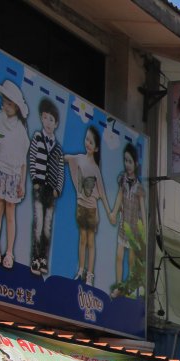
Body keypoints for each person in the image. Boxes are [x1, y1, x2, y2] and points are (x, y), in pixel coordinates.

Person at [65, 125, 108, 285]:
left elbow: (102, 192)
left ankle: (90, 274)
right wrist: (57, 157)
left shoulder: (95, 168)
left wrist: (109, 212)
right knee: (82, 239)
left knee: (90, 241)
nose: (88, 143)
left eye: (91, 142)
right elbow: (68, 158)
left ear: (96, 148)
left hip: (91, 209)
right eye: (87, 139)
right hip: (80, 206)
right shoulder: (80, 158)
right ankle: (81, 270)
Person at [29, 97, 63, 276]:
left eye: (51, 119)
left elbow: (61, 170)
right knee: (39, 223)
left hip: (51, 191)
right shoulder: (37, 137)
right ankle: (35, 257)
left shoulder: (57, 148)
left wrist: (58, 188)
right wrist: (35, 179)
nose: (48, 122)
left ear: (56, 123)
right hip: (39, 187)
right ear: (41, 118)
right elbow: (33, 157)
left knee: (47, 227)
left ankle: (43, 258)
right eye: (45, 118)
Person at [0, 80, 29, 270]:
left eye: (9, 103)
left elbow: (23, 160)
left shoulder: (20, 130)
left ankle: (9, 252)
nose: (4, 105)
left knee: (10, 213)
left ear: (16, 107)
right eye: (4, 101)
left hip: (13, 174)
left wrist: (22, 183)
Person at [108, 142, 144, 298]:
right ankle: (118, 285)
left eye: (130, 161)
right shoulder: (122, 179)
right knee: (119, 256)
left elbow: (142, 209)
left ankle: (128, 286)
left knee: (131, 259)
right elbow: (119, 197)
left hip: (134, 228)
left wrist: (144, 230)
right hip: (123, 225)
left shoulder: (139, 187)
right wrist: (114, 213)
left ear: (135, 164)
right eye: (125, 160)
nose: (127, 164)